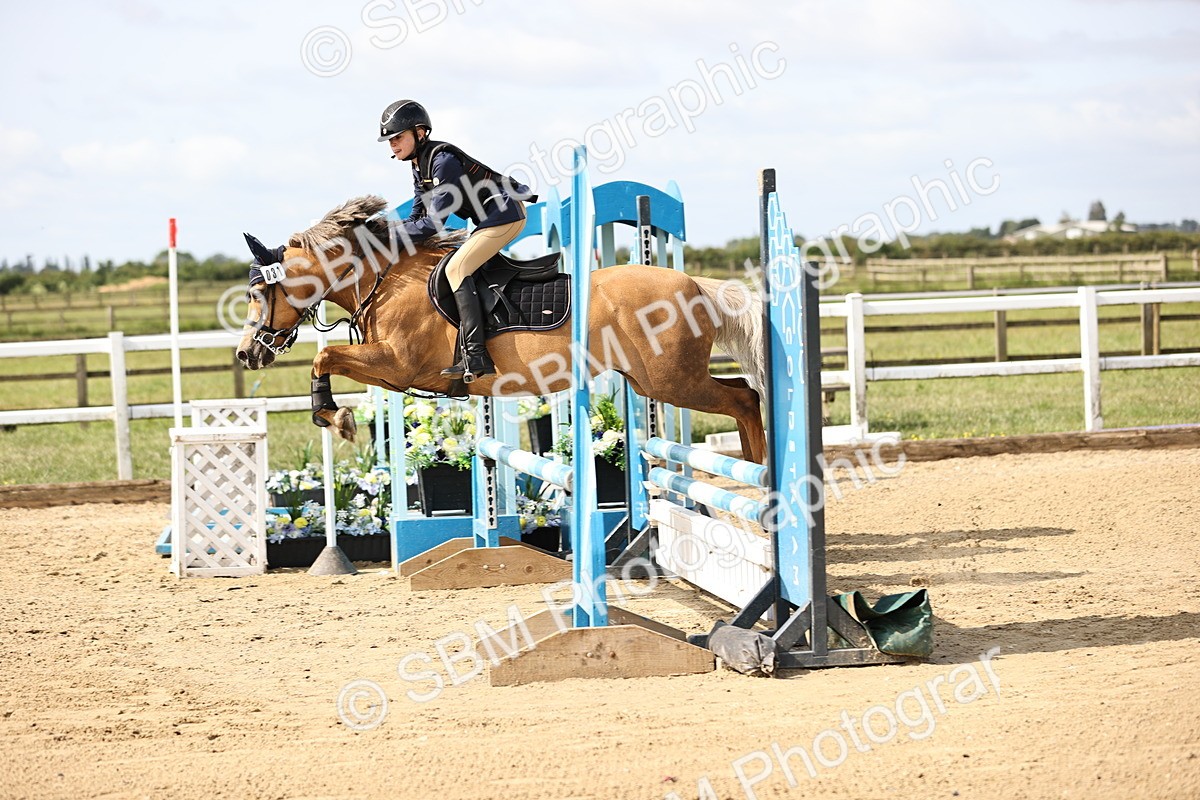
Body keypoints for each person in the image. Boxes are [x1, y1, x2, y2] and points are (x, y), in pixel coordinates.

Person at [379, 99, 532, 383]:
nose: (393, 144)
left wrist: (387, 236)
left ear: (420, 133)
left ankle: (475, 355)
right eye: (390, 140)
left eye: (398, 137)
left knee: (456, 268)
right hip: (490, 219)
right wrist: (386, 233)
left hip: (505, 215)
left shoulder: (443, 161)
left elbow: (433, 223)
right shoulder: (419, 165)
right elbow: (417, 215)